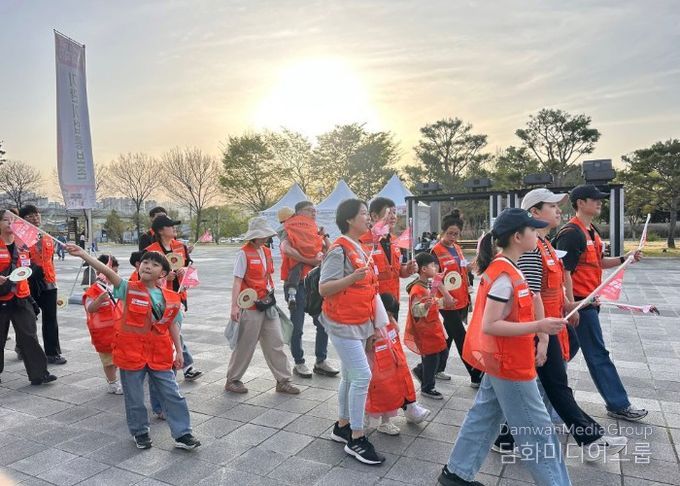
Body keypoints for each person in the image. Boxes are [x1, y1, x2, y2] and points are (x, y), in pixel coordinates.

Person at [493, 188, 628, 461]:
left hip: (549, 323)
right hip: (538, 327)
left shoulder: (545, 244)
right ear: (534, 213)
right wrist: (542, 337)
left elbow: (553, 284)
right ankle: (591, 439)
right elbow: (530, 295)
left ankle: (506, 438)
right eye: (552, 206)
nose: (558, 210)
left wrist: (568, 304)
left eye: (558, 206)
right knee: (555, 385)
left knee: (537, 387)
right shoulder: (531, 249)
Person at [438, 208, 570, 486]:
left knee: (484, 415)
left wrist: (541, 335)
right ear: (517, 237)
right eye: (532, 230)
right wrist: (539, 327)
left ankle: (456, 474)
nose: (537, 234)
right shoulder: (504, 275)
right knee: (538, 432)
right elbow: (490, 324)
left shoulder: (508, 268)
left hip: (503, 359)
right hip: (510, 364)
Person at [65, 244, 201, 451]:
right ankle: (140, 432)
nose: (148, 266)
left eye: (154, 264)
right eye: (145, 262)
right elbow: (107, 272)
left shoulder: (171, 298)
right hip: (131, 354)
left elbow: (173, 325)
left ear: (163, 274)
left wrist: (179, 352)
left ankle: (183, 434)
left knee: (173, 394)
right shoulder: (128, 288)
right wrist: (83, 254)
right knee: (135, 398)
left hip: (160, 355)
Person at [554, 184, 647, 421]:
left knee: (562, 353)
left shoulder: (591, 231)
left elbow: (599, 263)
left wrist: (626, 258)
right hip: (579, 305)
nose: (599, 202)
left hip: (588, 302)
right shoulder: (571, 233)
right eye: (594, 199)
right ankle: (618, 404)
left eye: (600, 199)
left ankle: (540, 387)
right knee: (597, 353)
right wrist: (572, 304)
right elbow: (564, 271)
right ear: (580, 203)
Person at [320, 198, 385, 466]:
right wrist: (352, 278)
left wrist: (372, 327)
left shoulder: (360, 246)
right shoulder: (339, 249)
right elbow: (324, 287)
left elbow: (368, 291)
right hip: (341, 322)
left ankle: (342, 426)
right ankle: (357, 438)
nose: (368, 218)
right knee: (362, 375)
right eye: (363, 214)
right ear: (349, 219)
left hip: (358, 321)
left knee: (349, 375)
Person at [225, 217, 300, 396]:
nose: (266, 237)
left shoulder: (266, 251)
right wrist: (234, 307)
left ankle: (283, 381)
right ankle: (233, 379)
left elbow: (267, 276)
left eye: (267, 234)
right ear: (254, 236)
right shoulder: (243, 253)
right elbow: (237, 281)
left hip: (267, 304)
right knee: (245, 344)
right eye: (263, 235)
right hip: (250, 306)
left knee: (276, 342)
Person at [280, 201, 338, 378]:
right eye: (310, 210)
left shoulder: (315, 231)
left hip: (315, 283)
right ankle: (299, 362)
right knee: (297, 326)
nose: (314, 213)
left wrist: (324, 235)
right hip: (296, 283)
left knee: (322, 323)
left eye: (315, 211)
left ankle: (321, 361)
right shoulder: (288, 228)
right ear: (299, 213)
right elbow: (286, 249)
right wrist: (309, 261)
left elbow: (331, 250)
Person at [0, 209, 56, 386]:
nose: (10, 223)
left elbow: (35, 261)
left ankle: (39, 374)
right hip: (1, 298)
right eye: (6, 220)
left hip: (21, 295)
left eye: (13, 220)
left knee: (29, 336)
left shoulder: (22, 243)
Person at [145, 215, 203, 381]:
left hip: (178, 296)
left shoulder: (180, 246)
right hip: (159, 299)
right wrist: (163, 276)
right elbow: (145, 275)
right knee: (170, 332)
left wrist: (185, 271)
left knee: (173, 332)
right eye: (170, 226)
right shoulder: (151, 250)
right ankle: (179, 367)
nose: (174, 228)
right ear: (161, 231)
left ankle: (176, 367)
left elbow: (189, 265)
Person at [365, 293, 431, 435]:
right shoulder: (370, 325)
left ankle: (388, 421)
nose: (389, 317)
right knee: (377, 395)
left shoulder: (388, 323)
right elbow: (367, 348)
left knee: (391, 393)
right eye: (387, 314)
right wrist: (372, 340)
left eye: (391, 314)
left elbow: (395, 335)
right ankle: (370, 420)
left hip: (390, 366)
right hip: (375, 368)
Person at [431, 210, 483, 387]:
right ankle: (475, 375)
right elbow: (435, 277)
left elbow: (460, 269)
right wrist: (446, 295)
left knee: (449, 335)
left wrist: (468, 267)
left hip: (460, 299)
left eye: (456, 234)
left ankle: (433, 369)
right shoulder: (435, 251)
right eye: (449, 233)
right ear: (443, 231)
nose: (452, 237)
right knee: (462, 337)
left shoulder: (457, 248)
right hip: (446, 302)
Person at [19, 205, 66, 365]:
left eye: (36, 215)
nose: (34, 218)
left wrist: (52, 279)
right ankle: (23, 348)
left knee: (51, 318)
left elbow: (51, 259)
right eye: (30, 216)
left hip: (49, 282)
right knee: (27, 319)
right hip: (29, 282)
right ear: (22, 220)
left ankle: (52, 353)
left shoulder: (46, 236)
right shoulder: (19, 238)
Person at [406, 252, 452, 400]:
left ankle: (421, 371)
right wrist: (425, 306)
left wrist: (443, 302)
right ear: (424, 269)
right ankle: (427, 387)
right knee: (432, 358)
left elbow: (432, 302)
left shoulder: (427, 285)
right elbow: (415, 310)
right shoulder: (417, 289)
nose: (435, 268)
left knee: (441, 353)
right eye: (432, 266)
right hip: (425, 331)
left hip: (433, 327)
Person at [359, 197, 417, 304]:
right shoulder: (362, 242)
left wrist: (408, 269)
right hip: (373, 301)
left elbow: (399, 271)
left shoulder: (394, 241)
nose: (393, 216)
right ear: (374, 216)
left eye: (394, 212)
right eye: (389, 213)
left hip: (393, 301)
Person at [82, 254, 123, 395]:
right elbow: (89, 308)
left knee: (117, 358)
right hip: (103, 333)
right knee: (108, 361)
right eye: (111, 272)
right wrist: (99, 300)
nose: (114, 275)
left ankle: (115, 379)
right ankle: (112, 383)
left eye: (116, 272)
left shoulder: (116, 287)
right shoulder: (94, 289)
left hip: (117, 330)